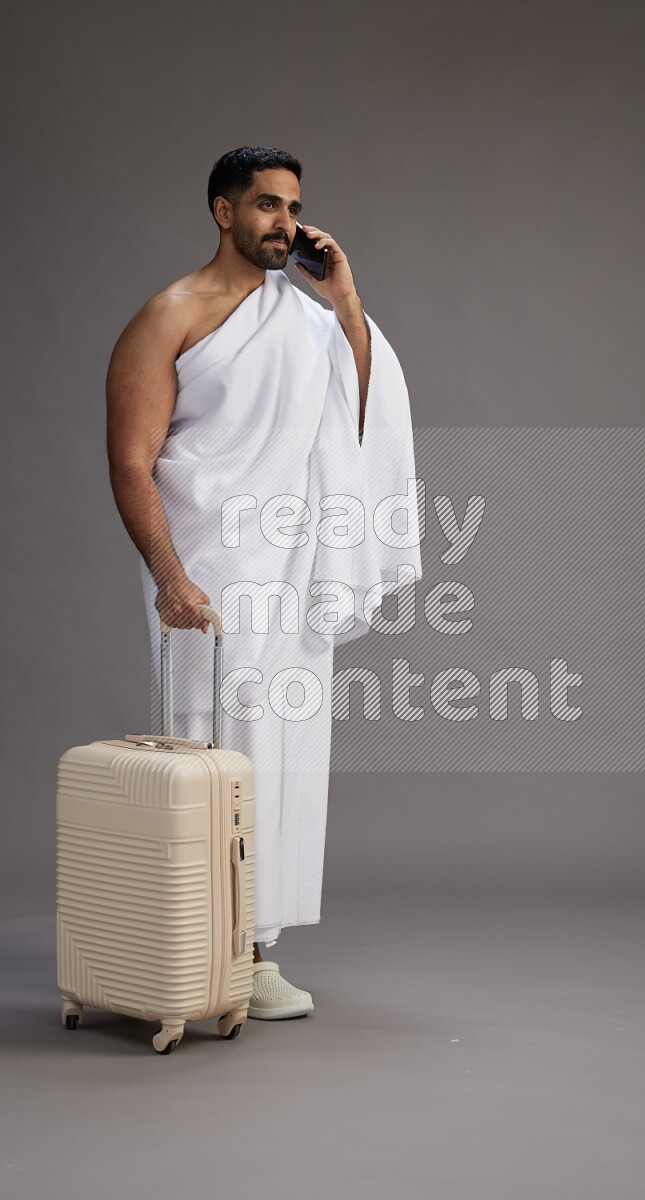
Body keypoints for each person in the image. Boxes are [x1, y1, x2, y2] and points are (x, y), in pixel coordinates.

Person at [105, 146, 421, 1020]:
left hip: (292, 564)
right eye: (267, 206)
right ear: (222, 210)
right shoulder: (167, 317)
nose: (286, 223)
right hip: (207, 568)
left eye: (293, 207)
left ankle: (255, 949)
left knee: (282, 753)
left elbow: (366, 412)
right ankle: (191, 945)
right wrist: (170, 578)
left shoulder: (312, 316)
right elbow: (132, 463)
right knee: (208, 750)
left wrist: (346, 299)